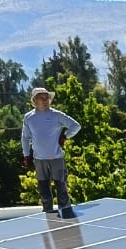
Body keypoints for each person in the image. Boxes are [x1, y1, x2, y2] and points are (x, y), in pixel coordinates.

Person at [21, 87, 81, 218]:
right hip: (39, 159)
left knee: (61, 187)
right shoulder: (29, 118)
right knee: (43, 189)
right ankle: (48, 213)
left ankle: (65, 213)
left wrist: (65, 136)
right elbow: (25, 137)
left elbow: (75, 126)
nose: (45, 100)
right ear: (35, 100)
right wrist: (26, 155)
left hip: (56, 157)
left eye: (47, 97)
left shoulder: (56, 115)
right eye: (41, 98)